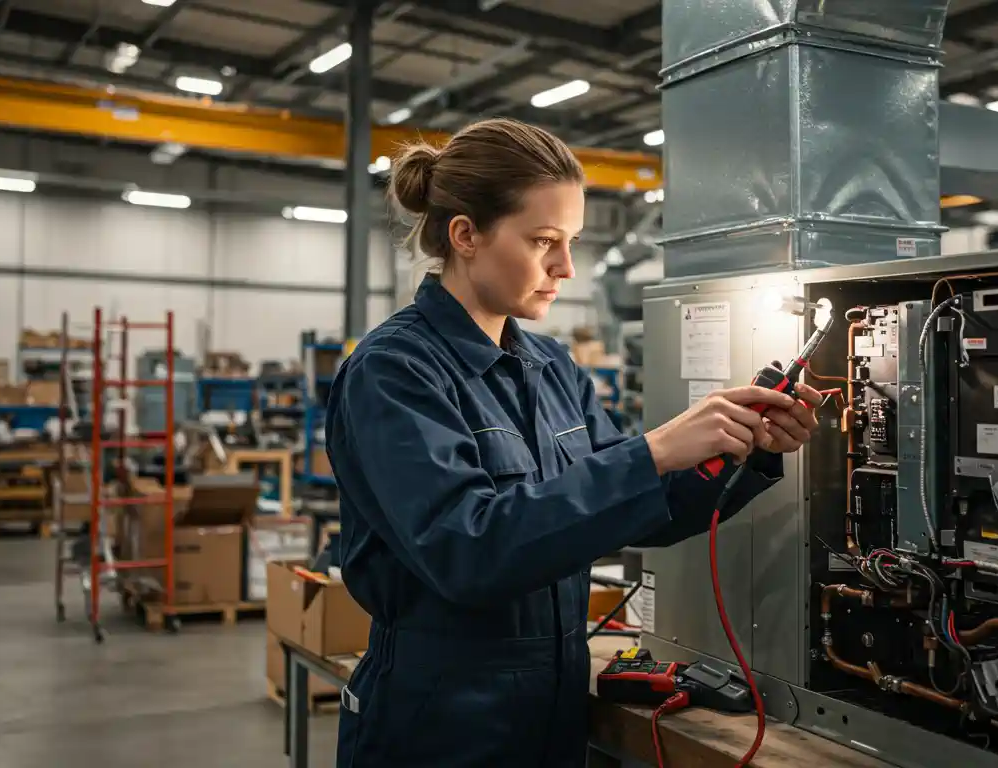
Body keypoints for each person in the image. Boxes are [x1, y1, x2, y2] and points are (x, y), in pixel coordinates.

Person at [325, 117, 823, 768]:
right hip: (440, 718)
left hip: (549, 705)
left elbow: (634, 507)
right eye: (543, 241)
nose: (565, 266)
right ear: (466, 235)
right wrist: (653, 450)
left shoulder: (552, 367)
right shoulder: (393, 373)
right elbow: (469, 551)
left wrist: (746, 448)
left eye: (572, 243)